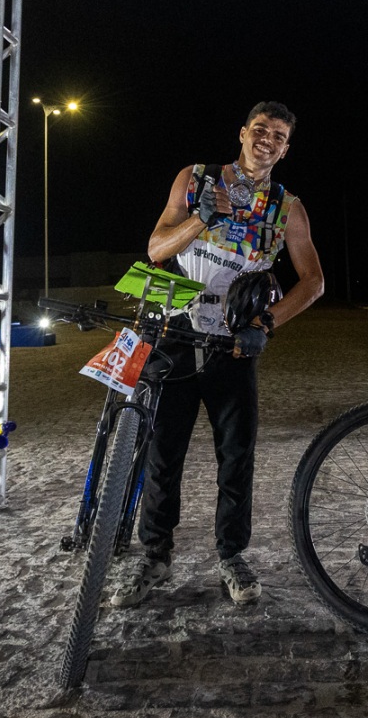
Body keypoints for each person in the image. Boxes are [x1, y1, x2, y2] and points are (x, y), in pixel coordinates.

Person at [110, 102, 325, 607]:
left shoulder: (287, 207)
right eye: (260, 129)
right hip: (177, 331)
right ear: (243, 133)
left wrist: (266, 324)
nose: (267, 139)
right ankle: (155, 555)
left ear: (286, 149)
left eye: (278, 135)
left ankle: (232, 555)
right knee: (163, 452)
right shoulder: (195, 179)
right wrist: (200, 218)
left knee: (236, 455)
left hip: (234, 341)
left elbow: (313, 282)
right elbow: (157, 248)